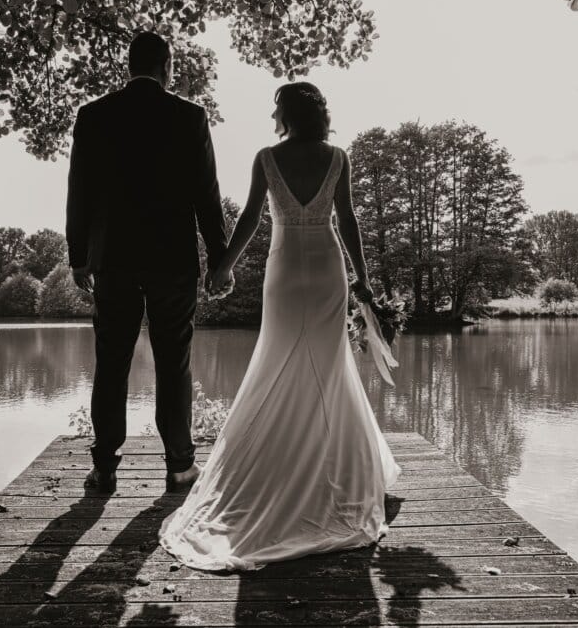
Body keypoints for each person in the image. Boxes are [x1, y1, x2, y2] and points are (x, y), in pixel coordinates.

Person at [157, 82, 402, 570]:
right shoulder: (337, 157)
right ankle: (336, 465)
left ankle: (280, 462)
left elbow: (249, 217)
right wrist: (362, 280)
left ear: (284, 114)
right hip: (328, 267)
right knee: (329, 364)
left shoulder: (267, 157)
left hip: (286, 267)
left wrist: (223, 265)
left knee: (278, 355)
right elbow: (347, 219)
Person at [66, 31, 230, 495]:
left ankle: (105, 467)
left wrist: (79, 257)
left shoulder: (94, 115)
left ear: (128, 66)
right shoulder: (190, 117)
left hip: (113, 259)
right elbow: (207, 195)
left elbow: (79, 190)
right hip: (172, 259)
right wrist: (219, 260)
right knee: (173, 362)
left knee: (112, 361)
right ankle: (180, 467)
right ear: (168, 67)